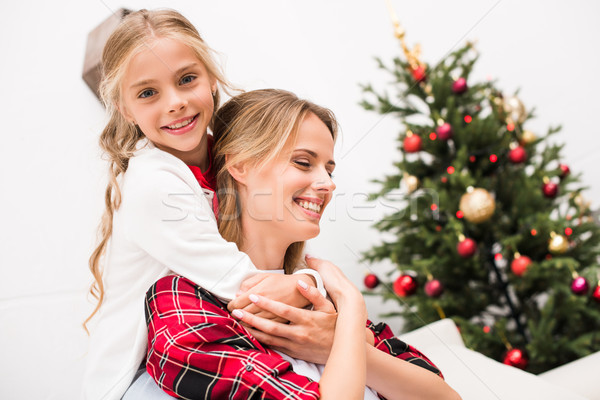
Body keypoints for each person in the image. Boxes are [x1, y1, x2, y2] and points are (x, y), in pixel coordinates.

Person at [141, 89, 461, 399]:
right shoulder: (182, 302)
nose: (328, 184)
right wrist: (351, 307)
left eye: (329, 168)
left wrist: (334, 341)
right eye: (304, 162)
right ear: (240, 165)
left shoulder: (316, 291)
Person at [82, 10, 324, 400]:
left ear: (210, 78)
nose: (175, 103)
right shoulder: (152, 183)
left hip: (214, 342)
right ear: (125, 109)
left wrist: (305, 279)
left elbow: (275, 251)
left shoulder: (231, 155)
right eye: (148, 93)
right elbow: (244, 285)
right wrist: (313, 285)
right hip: (148, 372)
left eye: (186, 79)